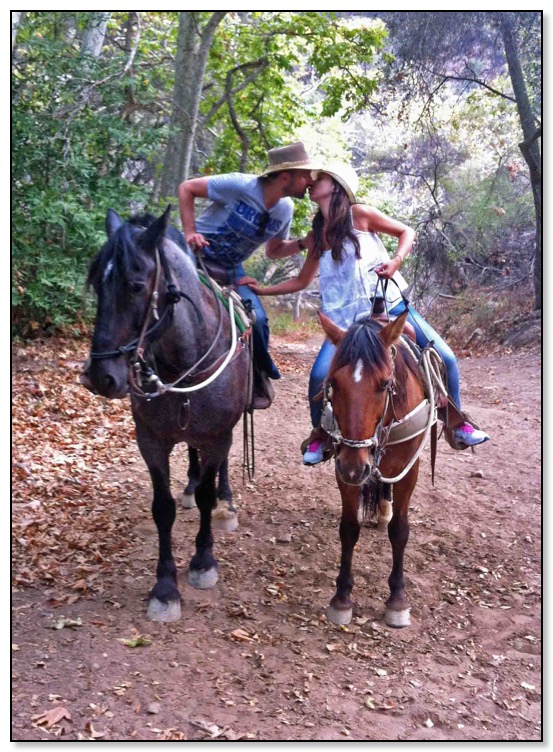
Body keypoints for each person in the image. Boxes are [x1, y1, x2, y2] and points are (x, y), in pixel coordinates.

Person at [242, 161, 490, 462]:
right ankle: (321, 436)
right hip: (344, 322)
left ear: (335, 186)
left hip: (388, 307)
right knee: (318, 377)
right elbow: (302, 280)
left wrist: (396, 261)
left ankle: (456, 423)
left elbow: (406, 231)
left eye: (320, 179)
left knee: (446, 357)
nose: (311, 182)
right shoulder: (318, 235)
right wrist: (263, 290)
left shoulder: (359, 215)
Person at [178, 142, 320, 409]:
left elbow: (274, 251)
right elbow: (187, 188)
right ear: (285, 176)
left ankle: (257, 377)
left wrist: (303, 243)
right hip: (196, 259)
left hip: (232, 270)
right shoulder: (239, 185)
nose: (309, 181)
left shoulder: (284, 209)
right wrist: (189, 232)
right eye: (305, 174)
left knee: (258, 321)